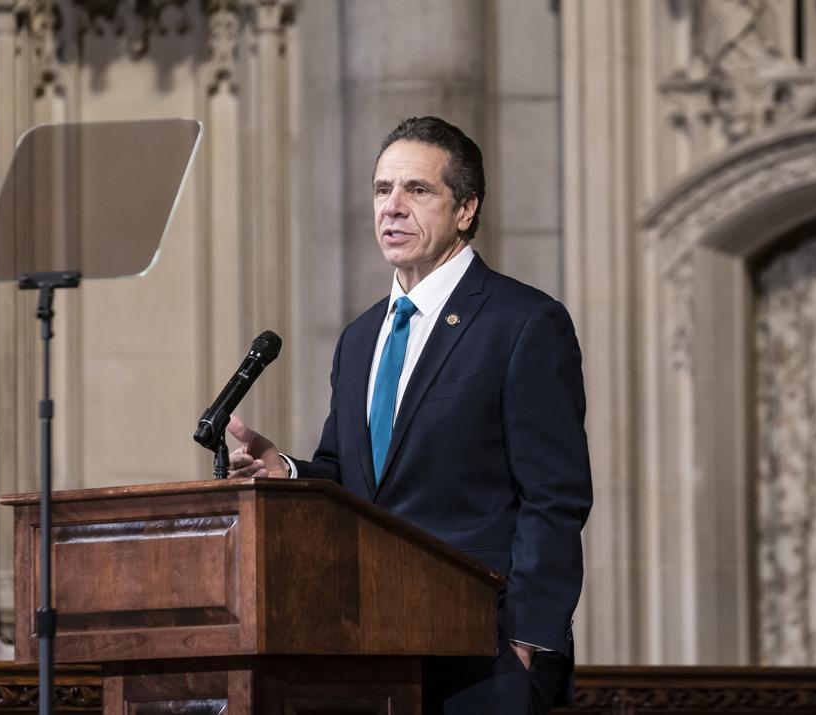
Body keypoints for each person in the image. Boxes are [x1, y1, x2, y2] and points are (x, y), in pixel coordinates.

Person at [226, 116, 592, 714]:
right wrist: (288, 472)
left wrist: (528, 642)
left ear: (466, 209)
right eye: (382, 190)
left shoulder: (523, 323)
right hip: (369, 650)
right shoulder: (359, 337)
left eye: (417, 190)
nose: (392, 207)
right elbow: (352, 481)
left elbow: (555, 496)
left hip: (484, 654)